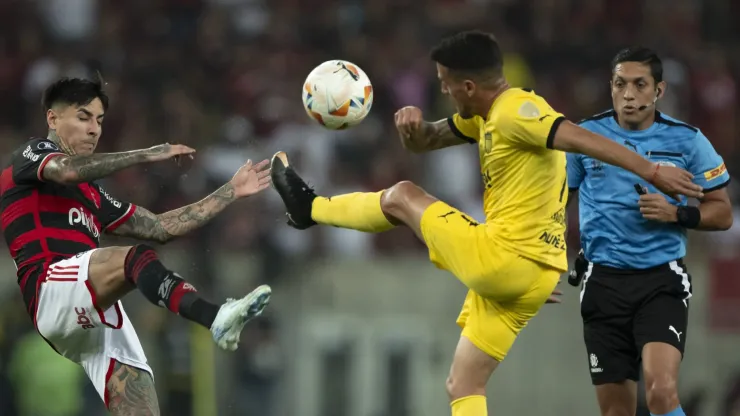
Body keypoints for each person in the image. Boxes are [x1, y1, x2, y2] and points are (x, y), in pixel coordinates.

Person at [269, 31, 704, 416]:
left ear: (469, 86)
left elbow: (583, 139)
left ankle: (310, 210)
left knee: (402, 196)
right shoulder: (485, 116)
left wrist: (650, 170)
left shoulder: (519, 111)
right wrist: (415, 132)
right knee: (464, 385)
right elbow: (432, 140)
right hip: (531, 273)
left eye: (446, 84)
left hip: (505, 259)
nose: (443, 91)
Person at [0, 77, 273, 415]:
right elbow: (66, 170)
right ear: (53, 119)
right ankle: (213, 315)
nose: (94, 130)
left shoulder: (93, 194)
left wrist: (231, 190)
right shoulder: (31, 155)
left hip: (89, 313)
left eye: (99, 121)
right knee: (132, 258)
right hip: (50, 290)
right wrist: (146, 153)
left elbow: (160, 227)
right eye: (83, 117)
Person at [567, 47, 733, 416]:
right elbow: (556, 203)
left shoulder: (688, 141)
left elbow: (722, 214)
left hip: (660, 281)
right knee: (616, 411)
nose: (629, 94)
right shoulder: (585, 137)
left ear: (659, 90)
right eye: (620, 84)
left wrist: (676, 213)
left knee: (660, 392)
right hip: (602, 283)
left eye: (640, 84)